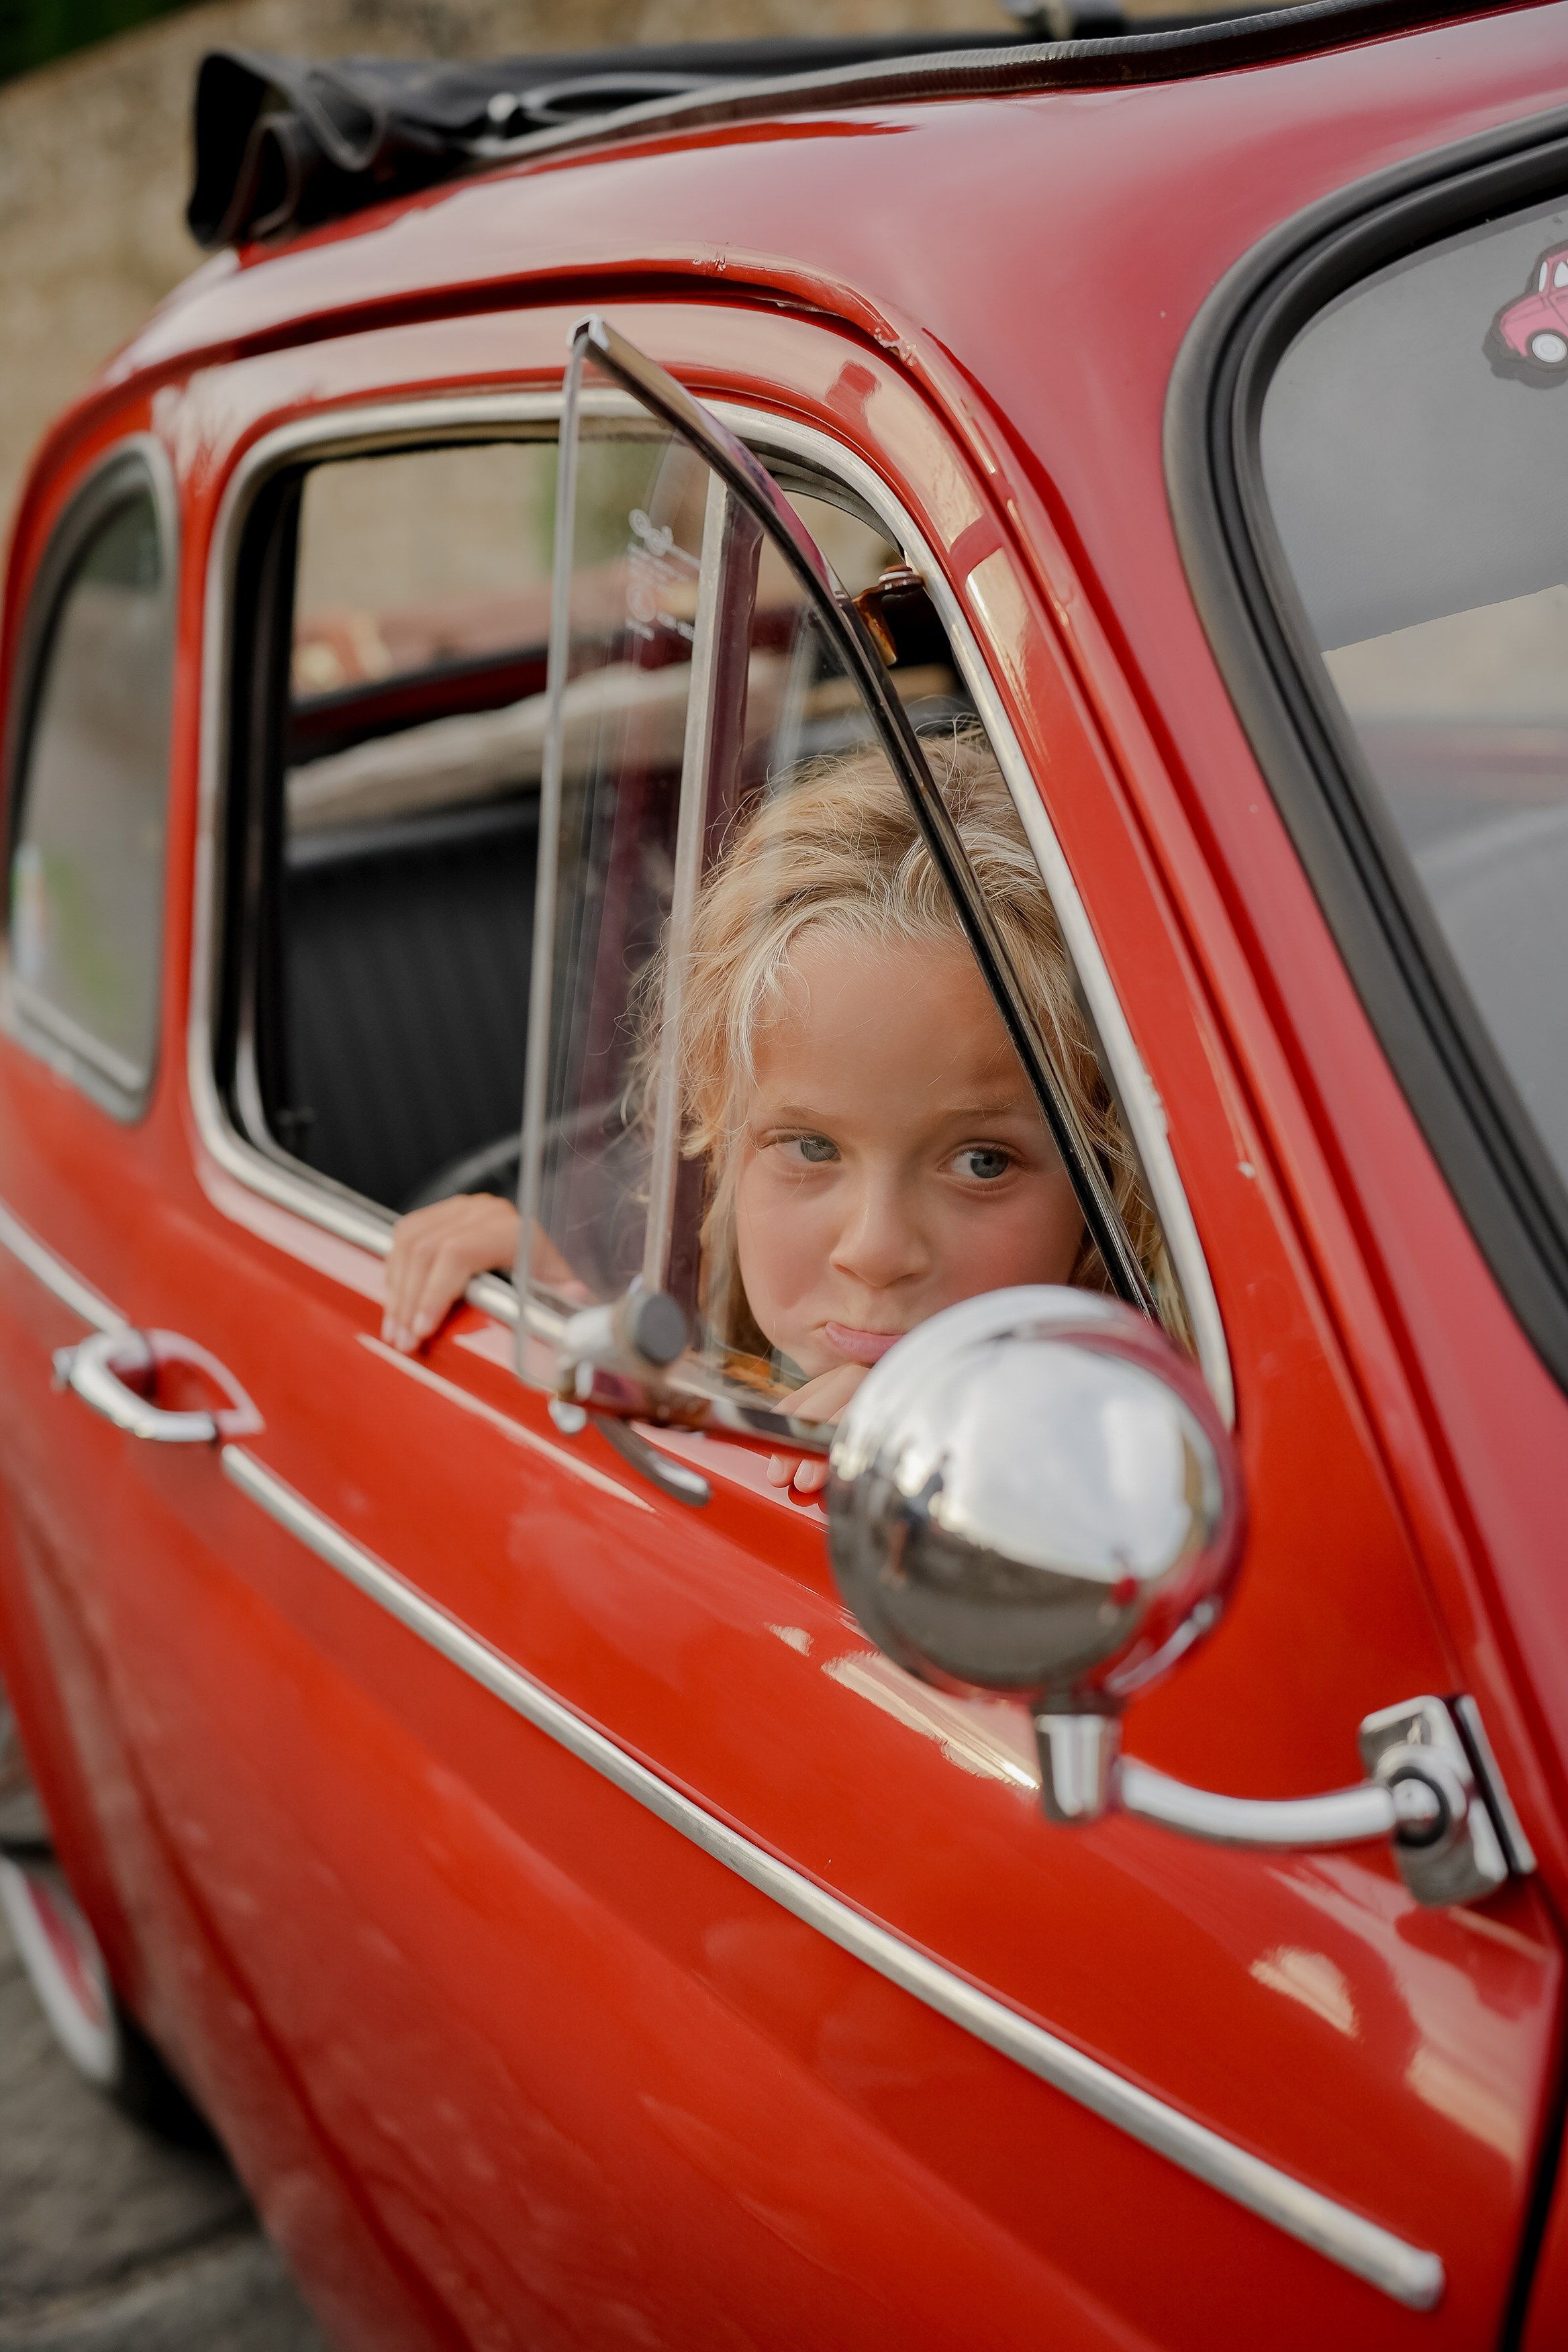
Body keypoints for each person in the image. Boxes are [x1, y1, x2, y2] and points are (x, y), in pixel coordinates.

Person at [382, 732, 1180, 1491]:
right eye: (808, 1148)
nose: (875, 1251)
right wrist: (568, 1316)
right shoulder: (695, 1323)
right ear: (718, 1144)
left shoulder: (1162, 1456)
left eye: (982, 1161)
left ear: (1111, 1178)